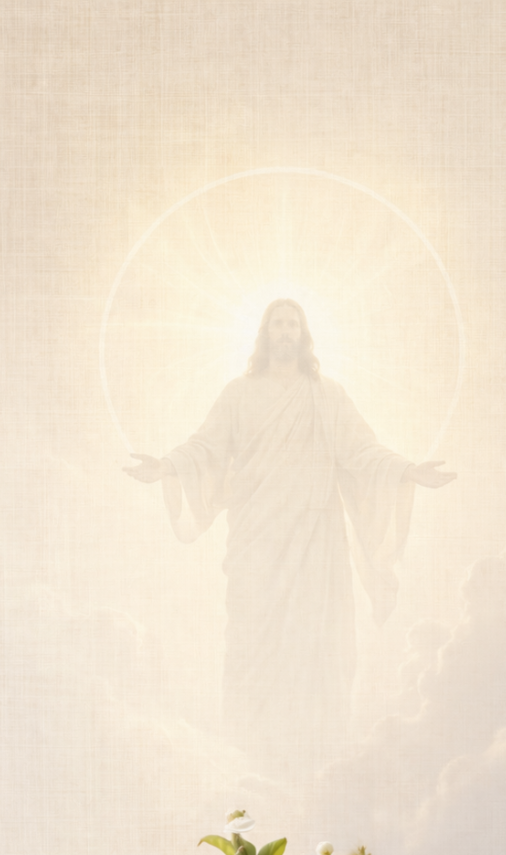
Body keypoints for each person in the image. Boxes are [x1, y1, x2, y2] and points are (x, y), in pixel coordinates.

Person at [125, 298, 455, 763]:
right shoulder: (238, 394)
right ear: (265, 333)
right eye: (277, 324)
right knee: (252, 640)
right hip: (256, 541)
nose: (285, 332)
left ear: (303, 335)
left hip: (315, 541)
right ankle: (248, 748)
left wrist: (407, 471)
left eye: (292, 325)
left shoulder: (328, 396)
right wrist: (167, 465)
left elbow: (361, 450)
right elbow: (206, 445)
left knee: (315, 642)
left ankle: (314, 751)